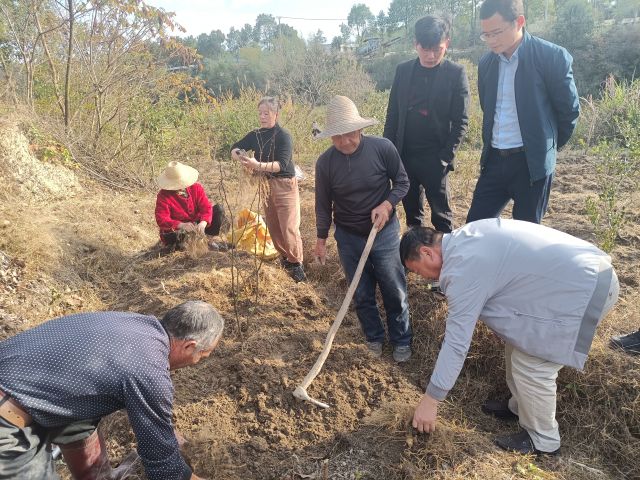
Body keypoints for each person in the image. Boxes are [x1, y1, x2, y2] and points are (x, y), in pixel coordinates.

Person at [400, 219, 619, 455]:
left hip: (585, 290)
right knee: (517, 343)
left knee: (533, 364)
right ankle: (521, 408)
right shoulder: (468, 236)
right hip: (588, 272)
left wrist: (431, 400)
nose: (422, 278)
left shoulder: (462, 268)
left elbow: (456, 344)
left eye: (415, 270)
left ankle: (543, 440)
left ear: (427, 253)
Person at [0, 300, 224, 479]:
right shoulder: (150, 370)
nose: (199, 361)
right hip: (8, 420)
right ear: (189, 346)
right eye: (203, 356)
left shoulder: (135, 324)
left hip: (23, 381)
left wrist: (163, 433)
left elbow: (134, 395)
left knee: (82, 418)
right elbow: (164, 469)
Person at [315, 95, 412, 362]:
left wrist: (387, 205)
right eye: (337, 137)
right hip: (348, 237)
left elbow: (403, 183)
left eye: (349, 134)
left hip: (384, 233)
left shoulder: (382, 148)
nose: (345, 141)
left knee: (394, 288)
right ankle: (374, 337)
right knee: (361, 291)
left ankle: (402, 339)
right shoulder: (325, 163)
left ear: (360, 129)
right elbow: (323, 205)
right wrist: (321, 239)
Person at [466, 0, 580, 224]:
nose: (491, 40)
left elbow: (569, 112)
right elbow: (489, 110)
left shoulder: (552, 57)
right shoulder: (487, 63)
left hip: (531, 165)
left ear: (519, 22)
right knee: (476, 228)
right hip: (495, 161)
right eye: (485, 35)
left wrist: (545, 148)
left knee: (526, 234)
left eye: (496, 32)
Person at [384, 14, 469, 233]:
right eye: (425, 49)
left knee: (442, 216)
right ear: (416, 45)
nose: (431, 56)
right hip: (405, 155)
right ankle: (417, 258)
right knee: (413, 215)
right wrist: (388, 154)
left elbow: (461, 121)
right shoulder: (403, 71)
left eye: (437, 49)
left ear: (447, 44)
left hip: (435, 157)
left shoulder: (455, 73)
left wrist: (444, 158)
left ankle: (447, 260)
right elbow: (393, 114)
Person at [231, 97, 306, 282]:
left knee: (288, 226)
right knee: (273, 226)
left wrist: (257, 165)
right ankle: (285, 258)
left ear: (276, 115)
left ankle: (297, 264)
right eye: (260, 113)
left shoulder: (283, 136)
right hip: (265, 185)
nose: (262, 117)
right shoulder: (255, 135)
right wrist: (238, 155)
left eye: (266, 113)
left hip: (284, 184)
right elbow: (235, 147)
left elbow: (281, 164)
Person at [155, 161, 226, 251]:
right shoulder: (163, 195)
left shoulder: (196, 188)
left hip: (197, 225)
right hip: (178, 230)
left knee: (219, 210)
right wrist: (181, 225)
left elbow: (206, 207)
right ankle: (186, 245)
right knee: (172, 236)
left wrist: (203, 222)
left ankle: (208, 240)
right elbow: (162, 219)